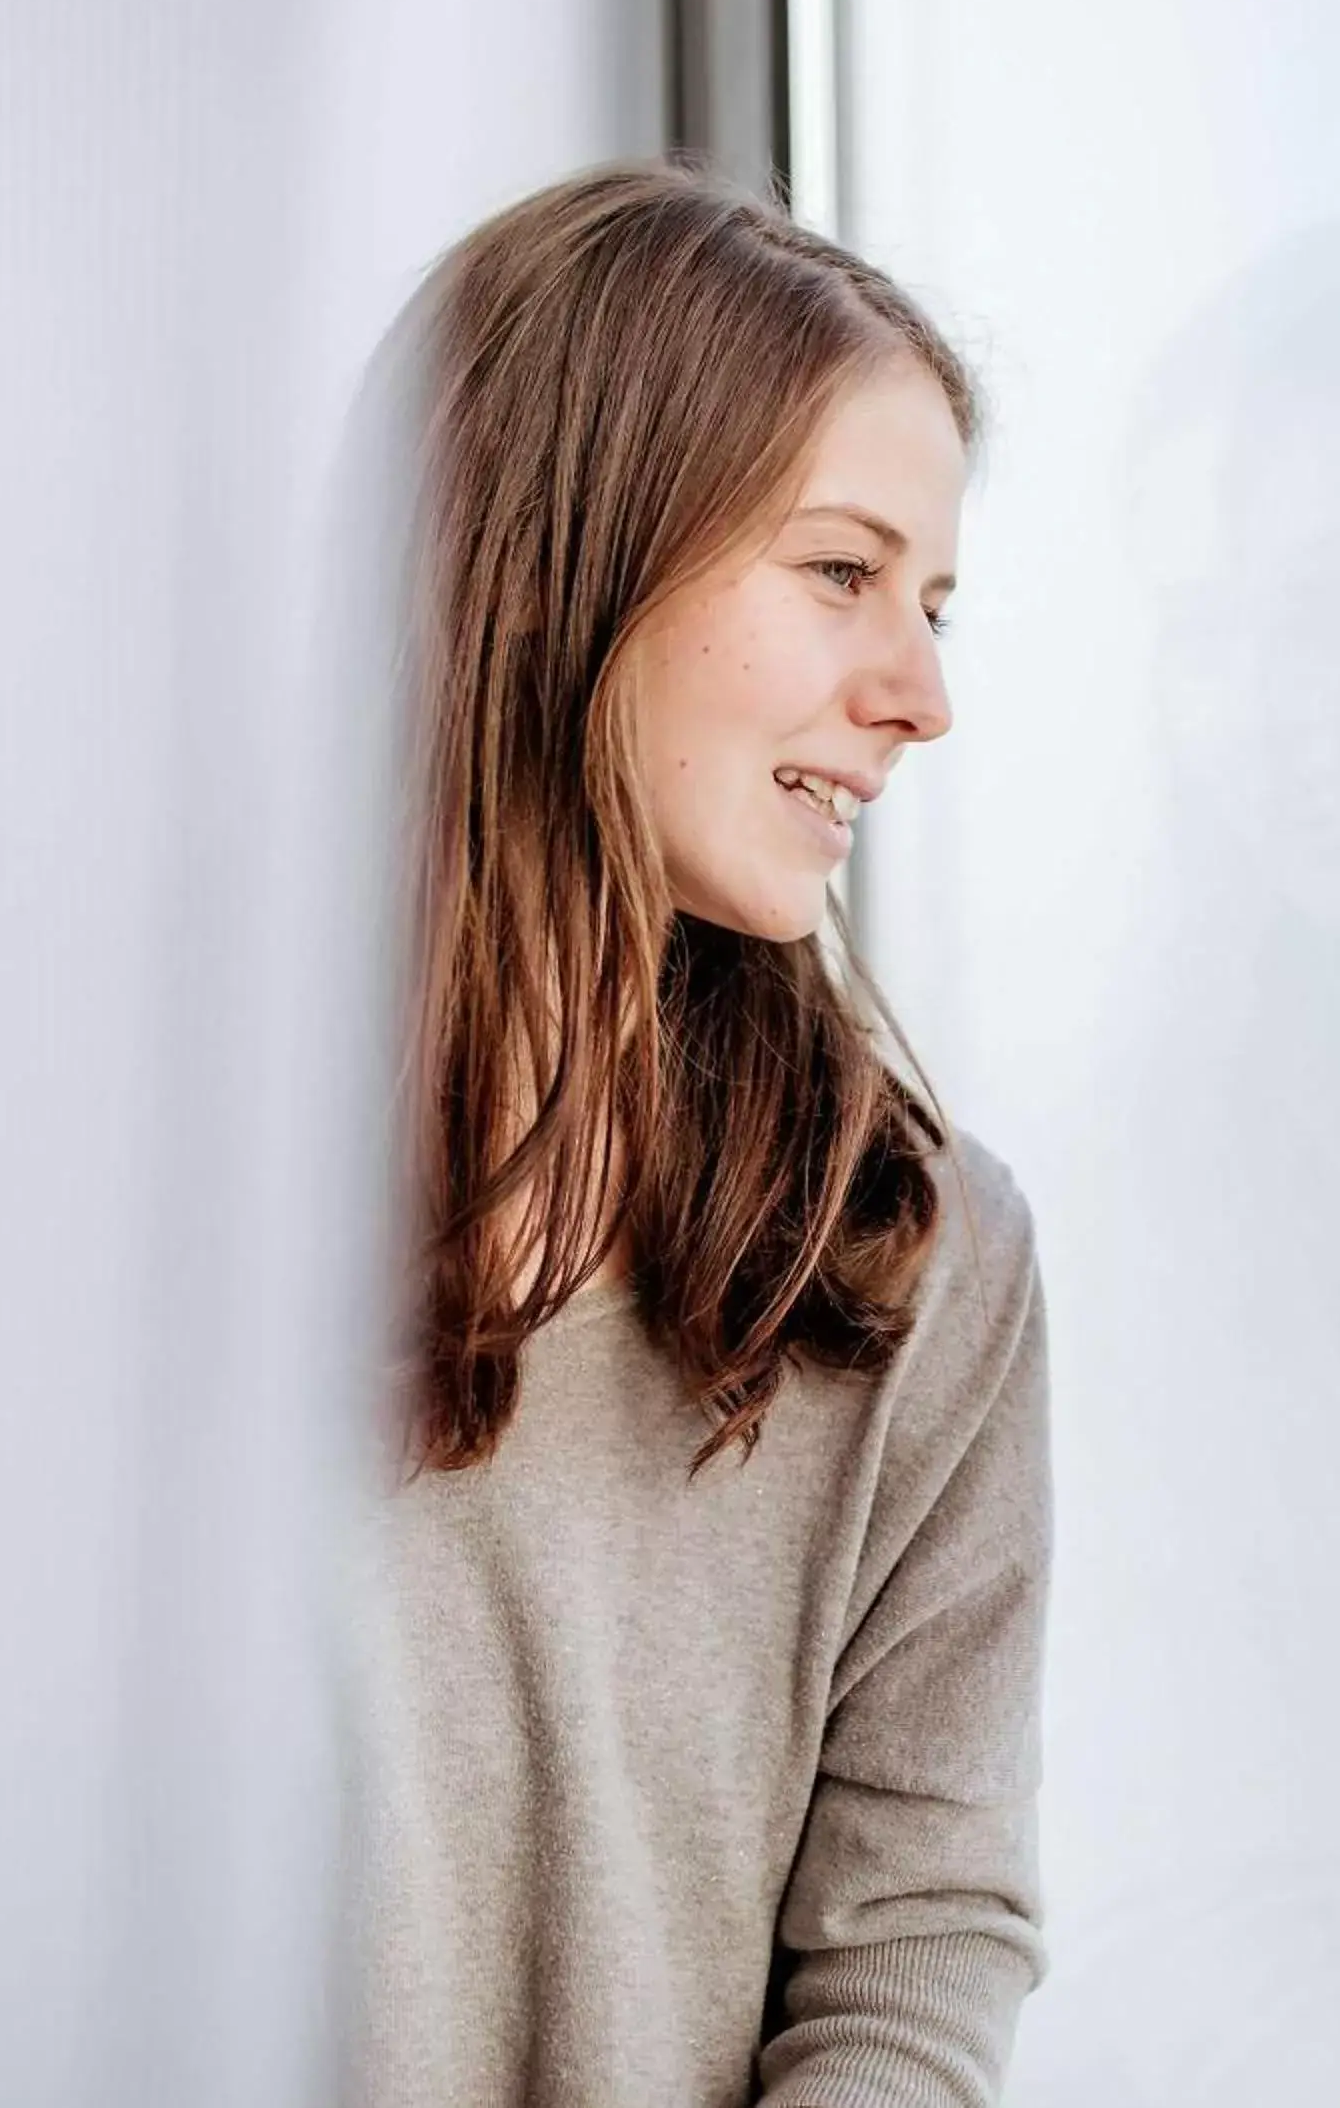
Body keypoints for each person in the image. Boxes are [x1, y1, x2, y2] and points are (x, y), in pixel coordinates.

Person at [339, 161, 1055, 2108]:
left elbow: (917, 1949)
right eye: (842, 572)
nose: (919, 693)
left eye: (934, 604)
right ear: (564, 551)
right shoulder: (132, 1182)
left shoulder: (921, 1257)